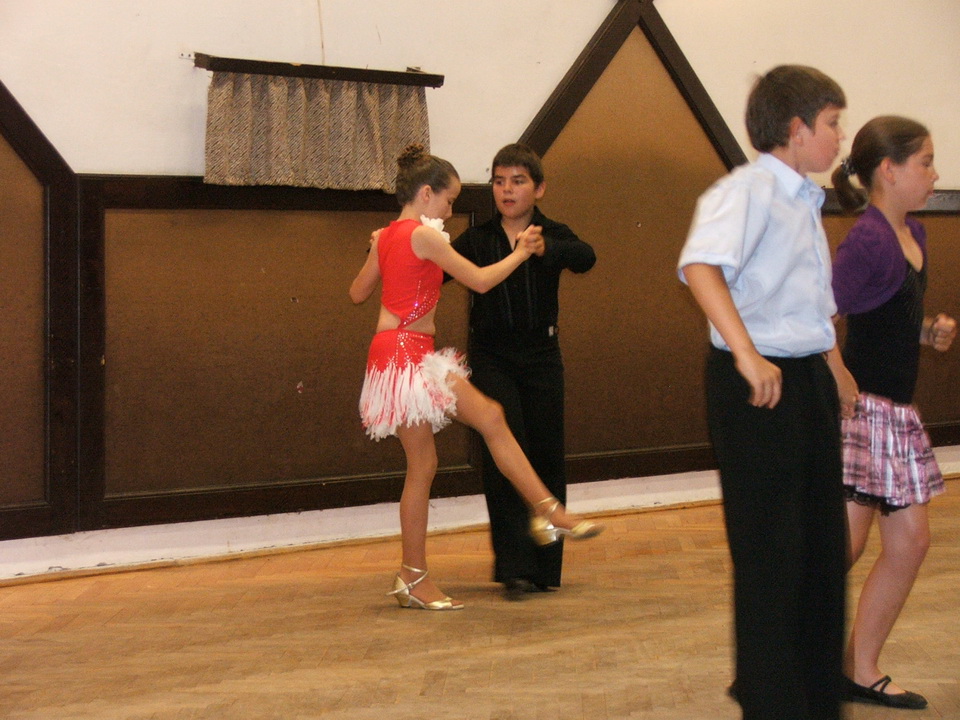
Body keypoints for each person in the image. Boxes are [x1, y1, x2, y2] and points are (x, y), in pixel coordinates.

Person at [349, 144, 602, 611]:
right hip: (407, 354)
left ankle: (415, 574)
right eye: (448, 201)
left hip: (394, 353)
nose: (450, 211)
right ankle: (549, 511)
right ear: (426, 194)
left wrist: (378, 249)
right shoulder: (425, 237)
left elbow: (357, 292)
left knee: (437, 456)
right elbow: (481, 281)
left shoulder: (390, 236)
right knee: (487, 419)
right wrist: (521, 254)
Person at [677, 65, 856, 720]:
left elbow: (808, 303)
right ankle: (773, 702)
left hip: (803, 377)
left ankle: (815, 699)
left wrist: (835, 370)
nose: (840, 136)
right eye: (832, 123)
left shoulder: (803, 200)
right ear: (796, 127)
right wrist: (748, 354)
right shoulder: (747, 190)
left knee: (820, 548)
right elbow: (700, 266)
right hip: (757, 386)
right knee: (772, 553)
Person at [830, 116, 956, 710]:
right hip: (866, 416)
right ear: (889, 169)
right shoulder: (868, 240)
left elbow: (885, 319)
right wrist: (841, 380)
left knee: (905, 544)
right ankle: (785, 660)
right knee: (844, 549)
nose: (934, 174)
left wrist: (927, 331)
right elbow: (818, 316)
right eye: (925, 162)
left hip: (894, 418)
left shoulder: (913, 235)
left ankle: (857, 668)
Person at [450, 143, 596, 600]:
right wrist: (393, 244)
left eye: (517, 181)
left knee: (547, 453)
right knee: (505, 455)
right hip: (491, 356)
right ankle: (514, 568)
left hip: (542, 356)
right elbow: (434, 268)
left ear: (539, 188)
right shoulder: (477, 239)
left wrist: (546, 248)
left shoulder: (552, 231)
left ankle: (545, 570)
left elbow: (586, 257)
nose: (507, 190)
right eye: (499, 181)